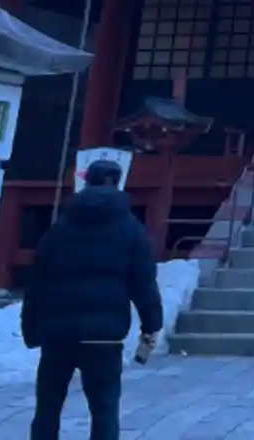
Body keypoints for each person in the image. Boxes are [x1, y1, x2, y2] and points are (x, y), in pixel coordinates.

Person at [22, 157, 163, 440]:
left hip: (58, 332)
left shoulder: (60, 228)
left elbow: (36, 282)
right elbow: (144, 284)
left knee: (48, 407)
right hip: (104, 335)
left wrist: (31, 329)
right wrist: (151, 325)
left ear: (87, 182)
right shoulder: (131, 229)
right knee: (104, 409)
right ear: (118, 182)